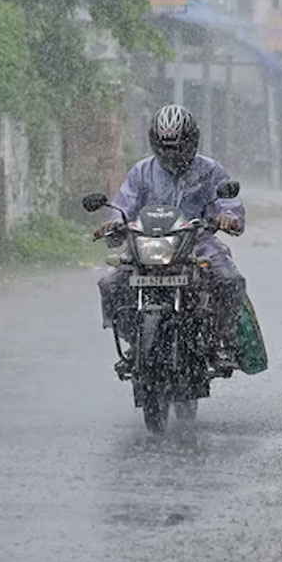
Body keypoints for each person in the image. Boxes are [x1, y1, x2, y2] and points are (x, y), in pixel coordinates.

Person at [98, 104, 247, 372]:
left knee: (229, 280)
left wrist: (228, 217)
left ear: (192, 141)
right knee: (111, 283)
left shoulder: (210, 171)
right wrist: (113, 224)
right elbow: (124, 205)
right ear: (154, 143)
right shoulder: (141, 172)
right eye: (165, 147)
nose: (171, 153)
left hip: (198, 242)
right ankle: (135, 339)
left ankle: (223, 340)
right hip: (148, 244)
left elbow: (229, 204)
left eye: (178, 146)